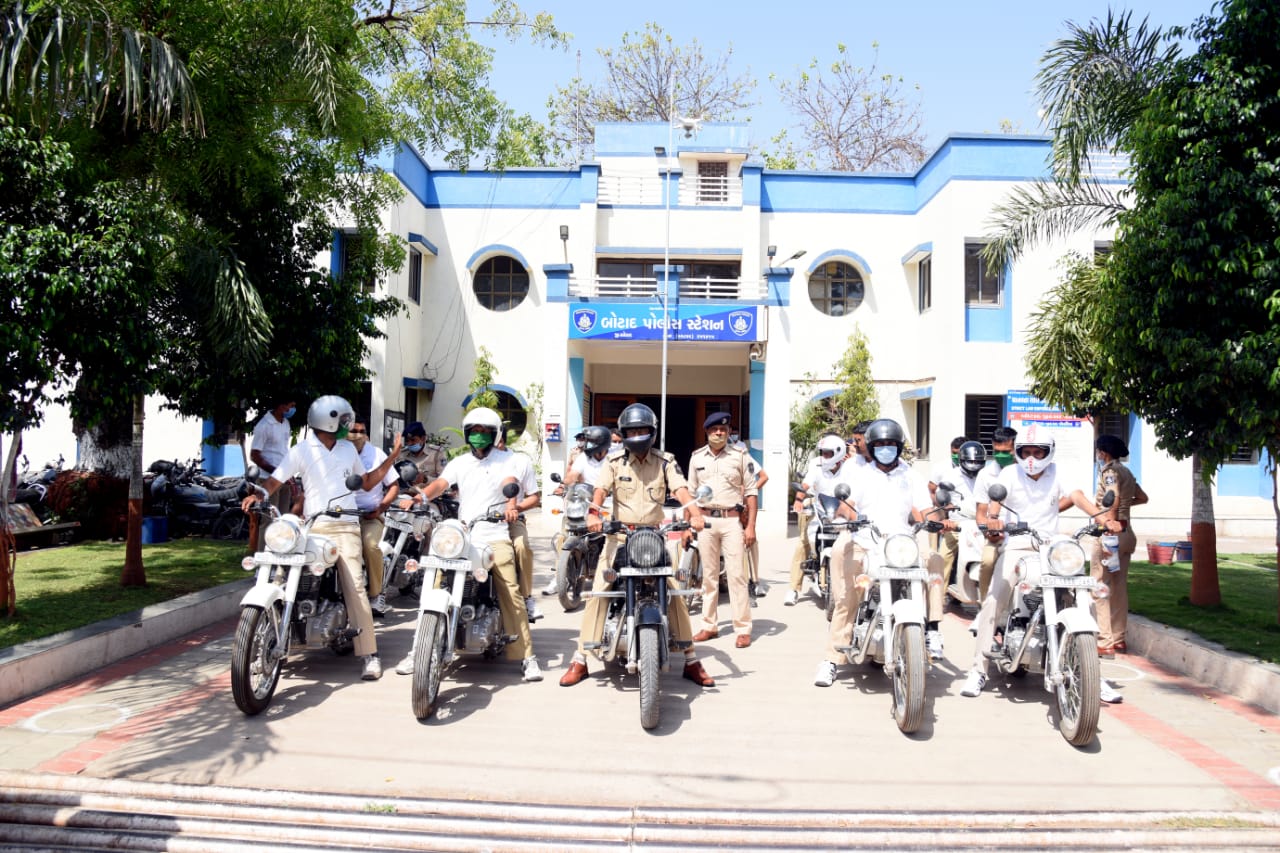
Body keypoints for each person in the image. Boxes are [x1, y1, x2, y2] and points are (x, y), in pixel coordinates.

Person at [240, 395, 403, 681]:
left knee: (354, 585)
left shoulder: (347, 450)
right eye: (342, 420)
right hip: (313, 526)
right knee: (280, 575)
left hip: (345, 525)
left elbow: (364, 482)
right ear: (328, 420)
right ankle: (269, 642)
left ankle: (369, 654)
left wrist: (392, 457)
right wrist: (259, 494)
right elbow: (275, 480)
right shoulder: (301, 451)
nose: (347, 426)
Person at [960, 423, 1121, 703]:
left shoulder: (1059, 472)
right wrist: (995, 523)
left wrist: (1102, 518)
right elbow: (995, 507)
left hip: (1051, 545)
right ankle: (978, 670)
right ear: (1018, 452)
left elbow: (1076, 496)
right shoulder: (1010, 474)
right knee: (993, 599)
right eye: (1026, 451)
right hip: (1018, 543)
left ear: (1049, 452)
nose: (1032, 458)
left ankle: (1093, 672)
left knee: (1085, 599)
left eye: (1038, 451)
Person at [559, 403, 715, 688]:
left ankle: (691, 659)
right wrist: (593, 514)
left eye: (643, 429)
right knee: (598, 591)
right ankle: (580, 658)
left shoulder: (665, 461)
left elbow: (680, 489)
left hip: (653, 537)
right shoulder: (615, 463)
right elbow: (600, 491)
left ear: (652, 433)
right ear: (625, 433)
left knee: (675, 593)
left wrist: (694, 514)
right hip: (619, 537)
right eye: (632, 430)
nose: (638, 434)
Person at [395, 407, 542, 682]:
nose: (479, 436)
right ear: (467, 434)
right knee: (435, 583)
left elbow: (511, 484)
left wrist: (512, 506)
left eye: (485, 432)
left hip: (494, 534)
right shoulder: (460, 462)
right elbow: (440, 483)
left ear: (495, 434)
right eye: (474, 432)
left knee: (510, 591)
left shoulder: (508, 461)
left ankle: (527, 657)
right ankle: (418, 650)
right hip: (463, 534)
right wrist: (420, 499)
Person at [815, 418, 951, 686]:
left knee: (933, 560)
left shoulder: (911, 475)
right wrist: (847, 514)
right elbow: (846, 504)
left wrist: (938, 517)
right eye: (880, 445)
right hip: (864, 538)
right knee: (847, 596)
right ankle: (831, 660)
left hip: (900, 541)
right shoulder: (859, 473)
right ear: (872, 447)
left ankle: (932, 629)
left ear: (899, 447)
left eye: (891, 444)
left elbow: (921, 510)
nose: (885, 449)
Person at [688, 411, 759, 647]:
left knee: (737, 575)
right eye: (714, 429)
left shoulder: (740, 455)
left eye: (723, 430)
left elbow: (751, 492)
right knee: (708, 577)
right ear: (707, 432)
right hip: (705, 521)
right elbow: (690, 494)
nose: (719, 433)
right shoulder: (697, 458)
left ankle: (742, 628)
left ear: (729, 432)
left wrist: (750, 527)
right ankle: (709, 625)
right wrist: (690, 524)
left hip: (731, 520)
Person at [1092, 434, 1148, 657]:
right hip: (1127, 533)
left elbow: (1111, 498)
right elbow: (1143, 497)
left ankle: (1105, 641)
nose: (1097, 456)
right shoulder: (1127, 472)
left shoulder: (1110, 472)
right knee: (1119, 587)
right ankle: (1119, 639)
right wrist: (1126, 507)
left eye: (1098, 452)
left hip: (1111, 533)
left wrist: (1109, 524)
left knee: (1100, 586)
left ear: (1103, 453)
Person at [786, 433, 852, 606]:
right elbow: (805, 486)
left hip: (842, 514)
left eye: (828, 453)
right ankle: (793, 589)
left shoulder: (850, 468)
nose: (825, 456)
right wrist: (798, 501)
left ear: (838, 452)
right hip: (819, 509)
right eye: (823, 452)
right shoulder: (817, 466)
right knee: (803, 542)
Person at [349, 420, 400, 617]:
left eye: (362, 431)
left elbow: (393, 485)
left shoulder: (377, 453)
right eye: (354, 431)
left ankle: (376, 594)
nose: (358, 435)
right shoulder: (339, 452)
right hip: (343, 516)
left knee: (370, 545)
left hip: (370, 516)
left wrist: (380, 508)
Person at [495, 428, 543, 623]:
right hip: (478, 521)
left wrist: (516, 509)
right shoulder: (471, 462)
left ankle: (526, 597)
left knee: (521, 546)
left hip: (511, 521)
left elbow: (534, 498)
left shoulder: (519, 462)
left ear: (501, 441)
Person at [970, 426, 1018, 601]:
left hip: (1023, 534)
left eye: (1006, 451)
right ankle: (984, 605)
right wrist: (990, 531)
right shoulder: (985, 475)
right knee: (988, 561)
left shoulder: (1025, 472)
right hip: (997, 534)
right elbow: (981, 513)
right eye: (997, 451)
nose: (1001, 455)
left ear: (1014, 448)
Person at [250, 399, 296, 515]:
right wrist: (276, 471)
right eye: (291, 406)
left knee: (283, 518)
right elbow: (254, 456)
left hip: (284, 479)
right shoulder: (264, 425)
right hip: (268, 479)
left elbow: (283, 450)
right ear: (281, 406)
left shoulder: (285, 423)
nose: (293, 409)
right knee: (269, 519)